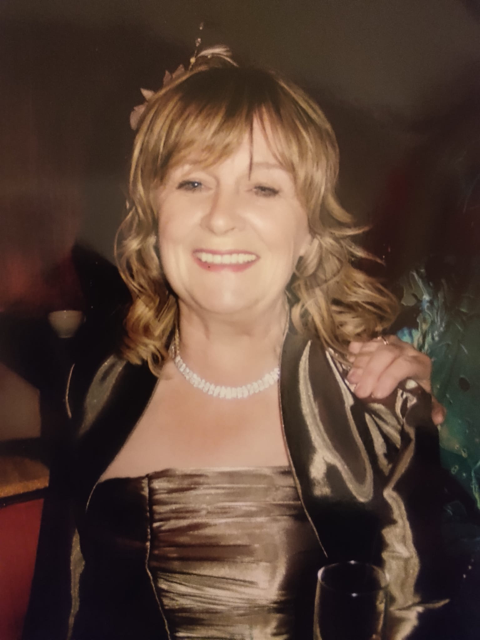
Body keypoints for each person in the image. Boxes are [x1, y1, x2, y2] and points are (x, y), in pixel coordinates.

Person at [23, 47, 465, 640]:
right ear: (153, 216)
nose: (220, 216)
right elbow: (58, 602)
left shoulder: (376, 408)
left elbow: (428, 616)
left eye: (263, 187)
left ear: (309, 232)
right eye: (193, 181)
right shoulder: (94, 385)